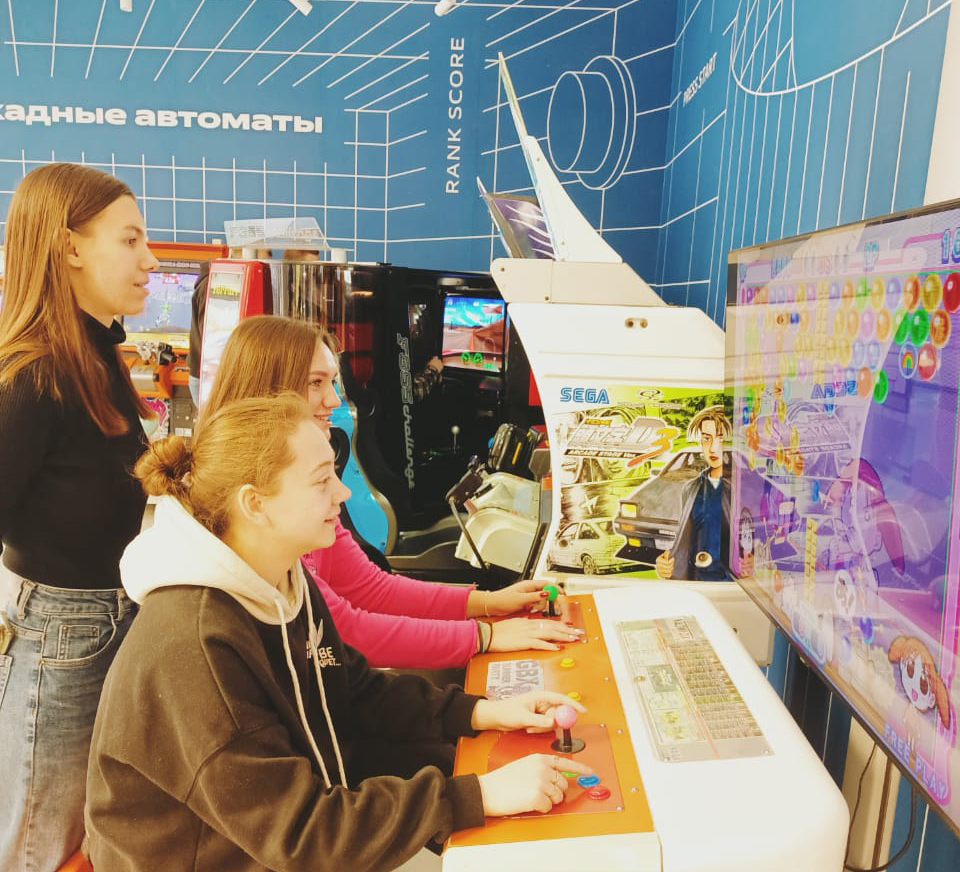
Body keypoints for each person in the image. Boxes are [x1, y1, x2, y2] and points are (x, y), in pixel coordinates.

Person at [85, 392, 594, 871]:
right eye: (322, 480)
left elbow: (352, 692)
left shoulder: (282, 579)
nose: (343, 492)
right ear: (255, 504)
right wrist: (477, 795)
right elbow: (301, 833)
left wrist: (482, 711)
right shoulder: (194, 646)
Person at [203, 315, 581, 669]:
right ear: (272, 388)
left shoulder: (295, 494)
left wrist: (489, 604)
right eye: (316, 383)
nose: (334, 400)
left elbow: (370, 589)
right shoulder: (260, 504)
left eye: (333, 382)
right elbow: (343, 629)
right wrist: (485, 635)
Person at [0, 163, 158, 871]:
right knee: (42, 846)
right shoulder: (32, 376)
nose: (150, 259)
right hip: (59, 641)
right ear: (69, 247)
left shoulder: (95, 359)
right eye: (130, 240)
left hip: (106, 627)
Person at [655, 405, 732, 581]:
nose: (713, 448)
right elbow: (686, 539)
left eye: (720, 439)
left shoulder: (742, 487)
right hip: (697, 581)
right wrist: (666, 562)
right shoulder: (690, 488)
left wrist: (753, 563)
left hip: (731, 584)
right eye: (706, 439)